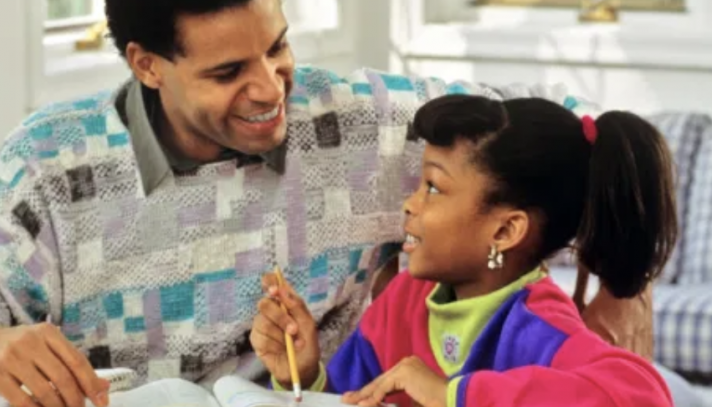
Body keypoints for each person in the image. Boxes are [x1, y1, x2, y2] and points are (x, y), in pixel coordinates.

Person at [0, 0, 700, 407]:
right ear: (146, 64)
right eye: (226, 72)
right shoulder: (51, 162)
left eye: (278, 47)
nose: (269, 91)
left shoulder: (361, 122)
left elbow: (569, 129)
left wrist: (623, 281)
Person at [251, 95, 678, 407]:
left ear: (506, 230)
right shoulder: (403, 301)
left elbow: (644, 397)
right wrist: (306, 375)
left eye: (434, 188)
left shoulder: (539, 327)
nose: (410, 203)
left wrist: (452, 395)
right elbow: (350, 398)